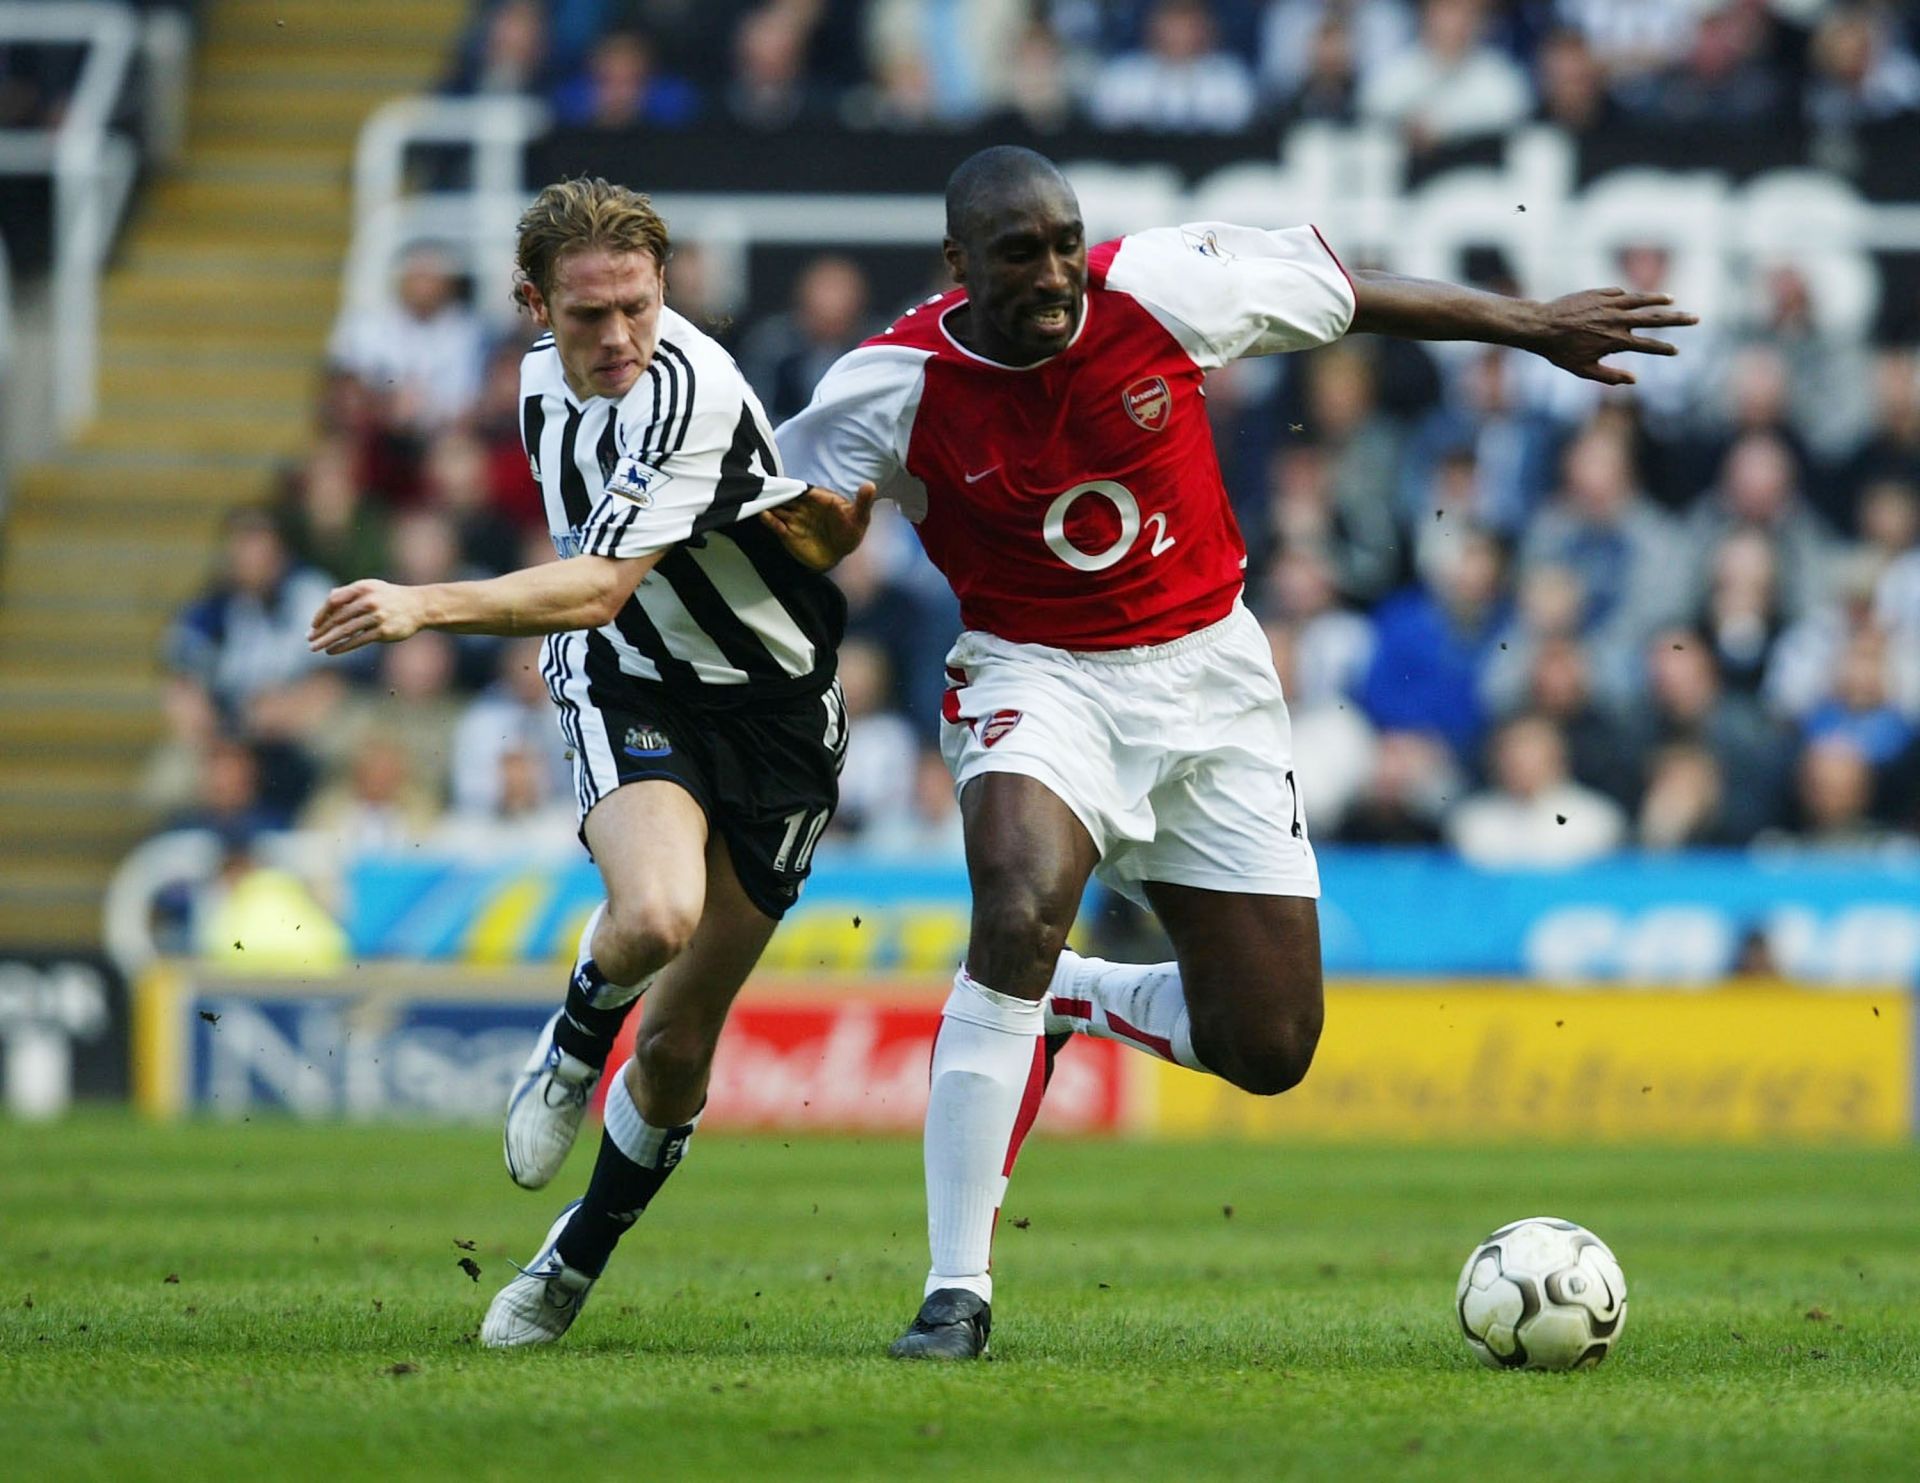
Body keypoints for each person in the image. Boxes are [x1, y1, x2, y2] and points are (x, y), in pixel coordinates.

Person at [770, 145, 1695, 1359]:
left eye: (1063, 243)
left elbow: (1351, 296)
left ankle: (1075, 999)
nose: (1053, 275)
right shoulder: (889, 383)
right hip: (1036, 674)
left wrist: (1526, 325)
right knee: (1017, 905)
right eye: (1018, 255)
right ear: (957, 266)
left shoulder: (1159, 284)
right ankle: (958, 1292)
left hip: (1211, 681)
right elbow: (782, 519)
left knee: (1269, 1047)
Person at [307, 177, 869, 1349]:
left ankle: (574, 1256)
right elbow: (604, 599)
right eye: (586, 315)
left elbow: (604, 571)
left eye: (637, 307)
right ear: (532, 306)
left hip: (777, 715)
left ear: (666, 288)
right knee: (655, 914)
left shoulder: (692, 388)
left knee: (674, 1044)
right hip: (629, 676)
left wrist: (425, 605)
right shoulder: (531, 387)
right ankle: (571, 1041)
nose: (616, 337)